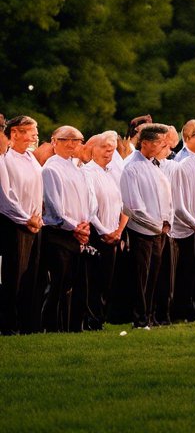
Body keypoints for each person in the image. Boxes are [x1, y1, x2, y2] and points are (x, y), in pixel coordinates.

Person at [120, 124, 173, 329]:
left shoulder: (155, 165)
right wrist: (156, 225)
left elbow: (165, 198)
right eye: (160, 142)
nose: (164, 145)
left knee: (153, 276)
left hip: (159, 231)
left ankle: (149, 316)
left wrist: (166, 221)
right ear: (146, 143)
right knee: (140, 277)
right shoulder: (131, 168)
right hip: (142, 231)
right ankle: (139, 318)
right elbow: (133, 206)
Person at [40, 126, 91, 332]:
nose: (72, 144)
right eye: (66, 139)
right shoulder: (51, 169)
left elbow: (86, 200)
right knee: (58, 284)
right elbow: (54, 206)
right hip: (59, 233)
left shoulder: (77, 168)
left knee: (71, 283)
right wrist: (75, 227)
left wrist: (85, 224)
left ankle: (68, 327)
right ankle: (50, 328)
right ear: (54, 141)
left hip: (77, 233)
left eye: (77, 140)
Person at [0, 115, 44, 334]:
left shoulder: (31, 158)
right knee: (14, 277)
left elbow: (37, 190)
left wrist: (38, 218)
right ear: (14, 133)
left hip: (35, 226)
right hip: (15, 225)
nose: (35, 134)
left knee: (31, 278)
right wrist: (26, 218)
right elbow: (7, 196)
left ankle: (27, 324)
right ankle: (9, 325)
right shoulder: (5, 159)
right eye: (30, 130)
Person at [82, 132, 126, 330]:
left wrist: (118, 230)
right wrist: (103, 231)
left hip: (114, 233)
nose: (109, 151)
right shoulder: (88, 172)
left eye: (112, 148)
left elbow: (123, 203)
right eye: (105, 147)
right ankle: (92, 319)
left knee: (107, 280)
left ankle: (100, 318)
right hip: (97, 234)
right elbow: (89, 207)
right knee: (94, 279)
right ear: (93, 148)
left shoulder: (112, 172)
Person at [169, 120, 195, 322]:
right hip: (186, 229)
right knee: (185, 273)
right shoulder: (182, 166)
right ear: (190, 137)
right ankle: (180, 312)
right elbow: (178, 205)